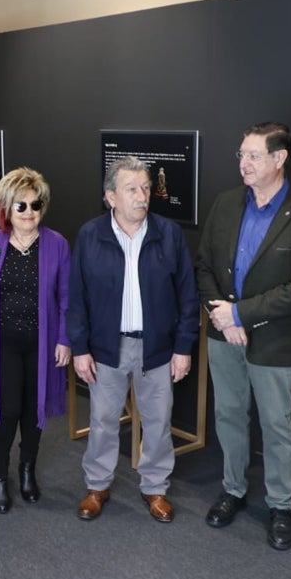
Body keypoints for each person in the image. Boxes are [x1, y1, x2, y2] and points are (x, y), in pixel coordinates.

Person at [195, 122, 291, 550]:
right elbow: (204, 266)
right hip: (224, 336)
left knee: (277, 426)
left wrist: (239, 313)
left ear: (280, 158)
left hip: (274, 340)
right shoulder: (225, 203)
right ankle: (233, 489)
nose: (244, 164)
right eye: (241, 155)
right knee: (229, 416)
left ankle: (280, 506)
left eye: (253, 155)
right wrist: (222, 316)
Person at [68, 157, 198, 523]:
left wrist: (183, 347)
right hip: (107, 347)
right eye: (131, 190)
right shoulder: (90, 235)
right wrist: (80, 348)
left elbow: (188, 296)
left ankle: (155, 488)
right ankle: (97, 485)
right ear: (111, 196)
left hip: (156, 346)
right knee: (104, 418)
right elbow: (76, 299)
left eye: (145, 188)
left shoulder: (168, 233)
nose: (142, 197)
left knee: (158, 419)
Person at [0, 167, 70, 513]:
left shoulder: (56, 245)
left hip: (40, 346)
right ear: (6, 209)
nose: (29, 213)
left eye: (35, 205)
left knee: (32, 411)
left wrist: (64, 339)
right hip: (1, 344)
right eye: (20, 206)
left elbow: (67, 298)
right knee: (6, 412)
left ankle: (27, 470)